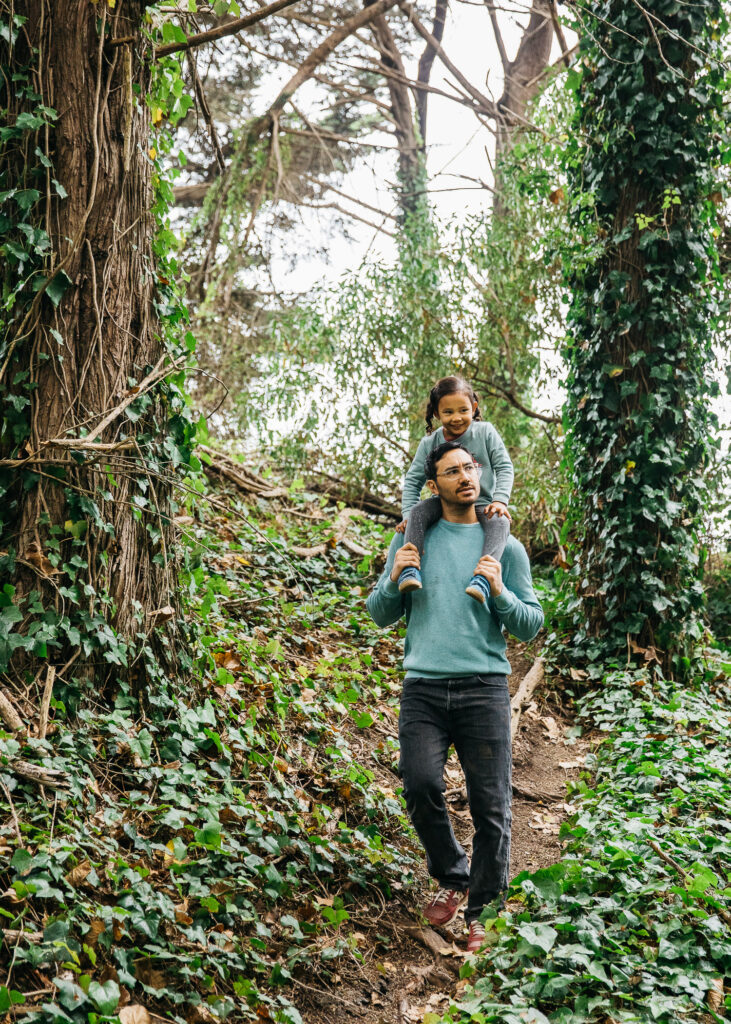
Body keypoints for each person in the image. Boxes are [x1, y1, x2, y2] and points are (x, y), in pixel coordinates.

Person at [366, 441, 543, 953]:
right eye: (452, 471)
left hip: (483, 689)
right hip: (422, 689)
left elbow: (531, 624)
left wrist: (502, 594)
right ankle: (454, 874)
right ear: (433, 484)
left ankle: (483, 910)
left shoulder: (505, 547)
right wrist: (395, 577)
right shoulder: (411, 539)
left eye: (470, 467)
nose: (466, 476)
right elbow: (380, 614)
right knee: (419, 784)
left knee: (492, 806)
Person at [398, 375, 514, 605]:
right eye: (448, 412)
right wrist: (407, 516)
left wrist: (500, 500)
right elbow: (413, 481)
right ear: (436, 414)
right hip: (444, 504)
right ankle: (410, 571)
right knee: (419, 511)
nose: (457, 418)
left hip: (481, 504)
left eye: (463, 410)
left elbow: (504, 466)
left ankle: (482, 579)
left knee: (501, 522)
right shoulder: (429, 443)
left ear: (474, 407)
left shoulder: (485, 432)